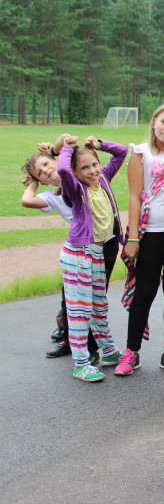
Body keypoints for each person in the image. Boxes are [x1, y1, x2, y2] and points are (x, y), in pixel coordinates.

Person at [115, 103, 164, 377]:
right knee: (144, 292)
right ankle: (131, 351)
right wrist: (133, 237)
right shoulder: (140, 153)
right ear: (153, 122)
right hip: (151, 233)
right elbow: (134, 196)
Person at [56, 134, 127, 381]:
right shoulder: (76, 189)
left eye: (94, 164)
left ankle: (108, 351)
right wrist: (67, 148)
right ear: (76, 173)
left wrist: (100, 144)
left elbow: (122, 152)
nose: (92, 170)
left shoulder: (103, 178)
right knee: (80, 311)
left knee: (99, 306)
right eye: (84, 168)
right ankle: (80, 363)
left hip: (97, 254)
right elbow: (62, 169)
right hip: (78, 256)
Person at [20, 144, 100, 362]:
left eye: (47, 164)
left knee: (92, 299)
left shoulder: (78, 177)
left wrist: (54, 151)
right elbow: (26, 200)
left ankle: (93, 347)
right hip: (79, 249)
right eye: (39, 173)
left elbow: (67, 142)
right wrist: (34, 183)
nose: (46, 170)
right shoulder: (51, 195)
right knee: (69, 298)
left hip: (101, 244)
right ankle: (71, 341)